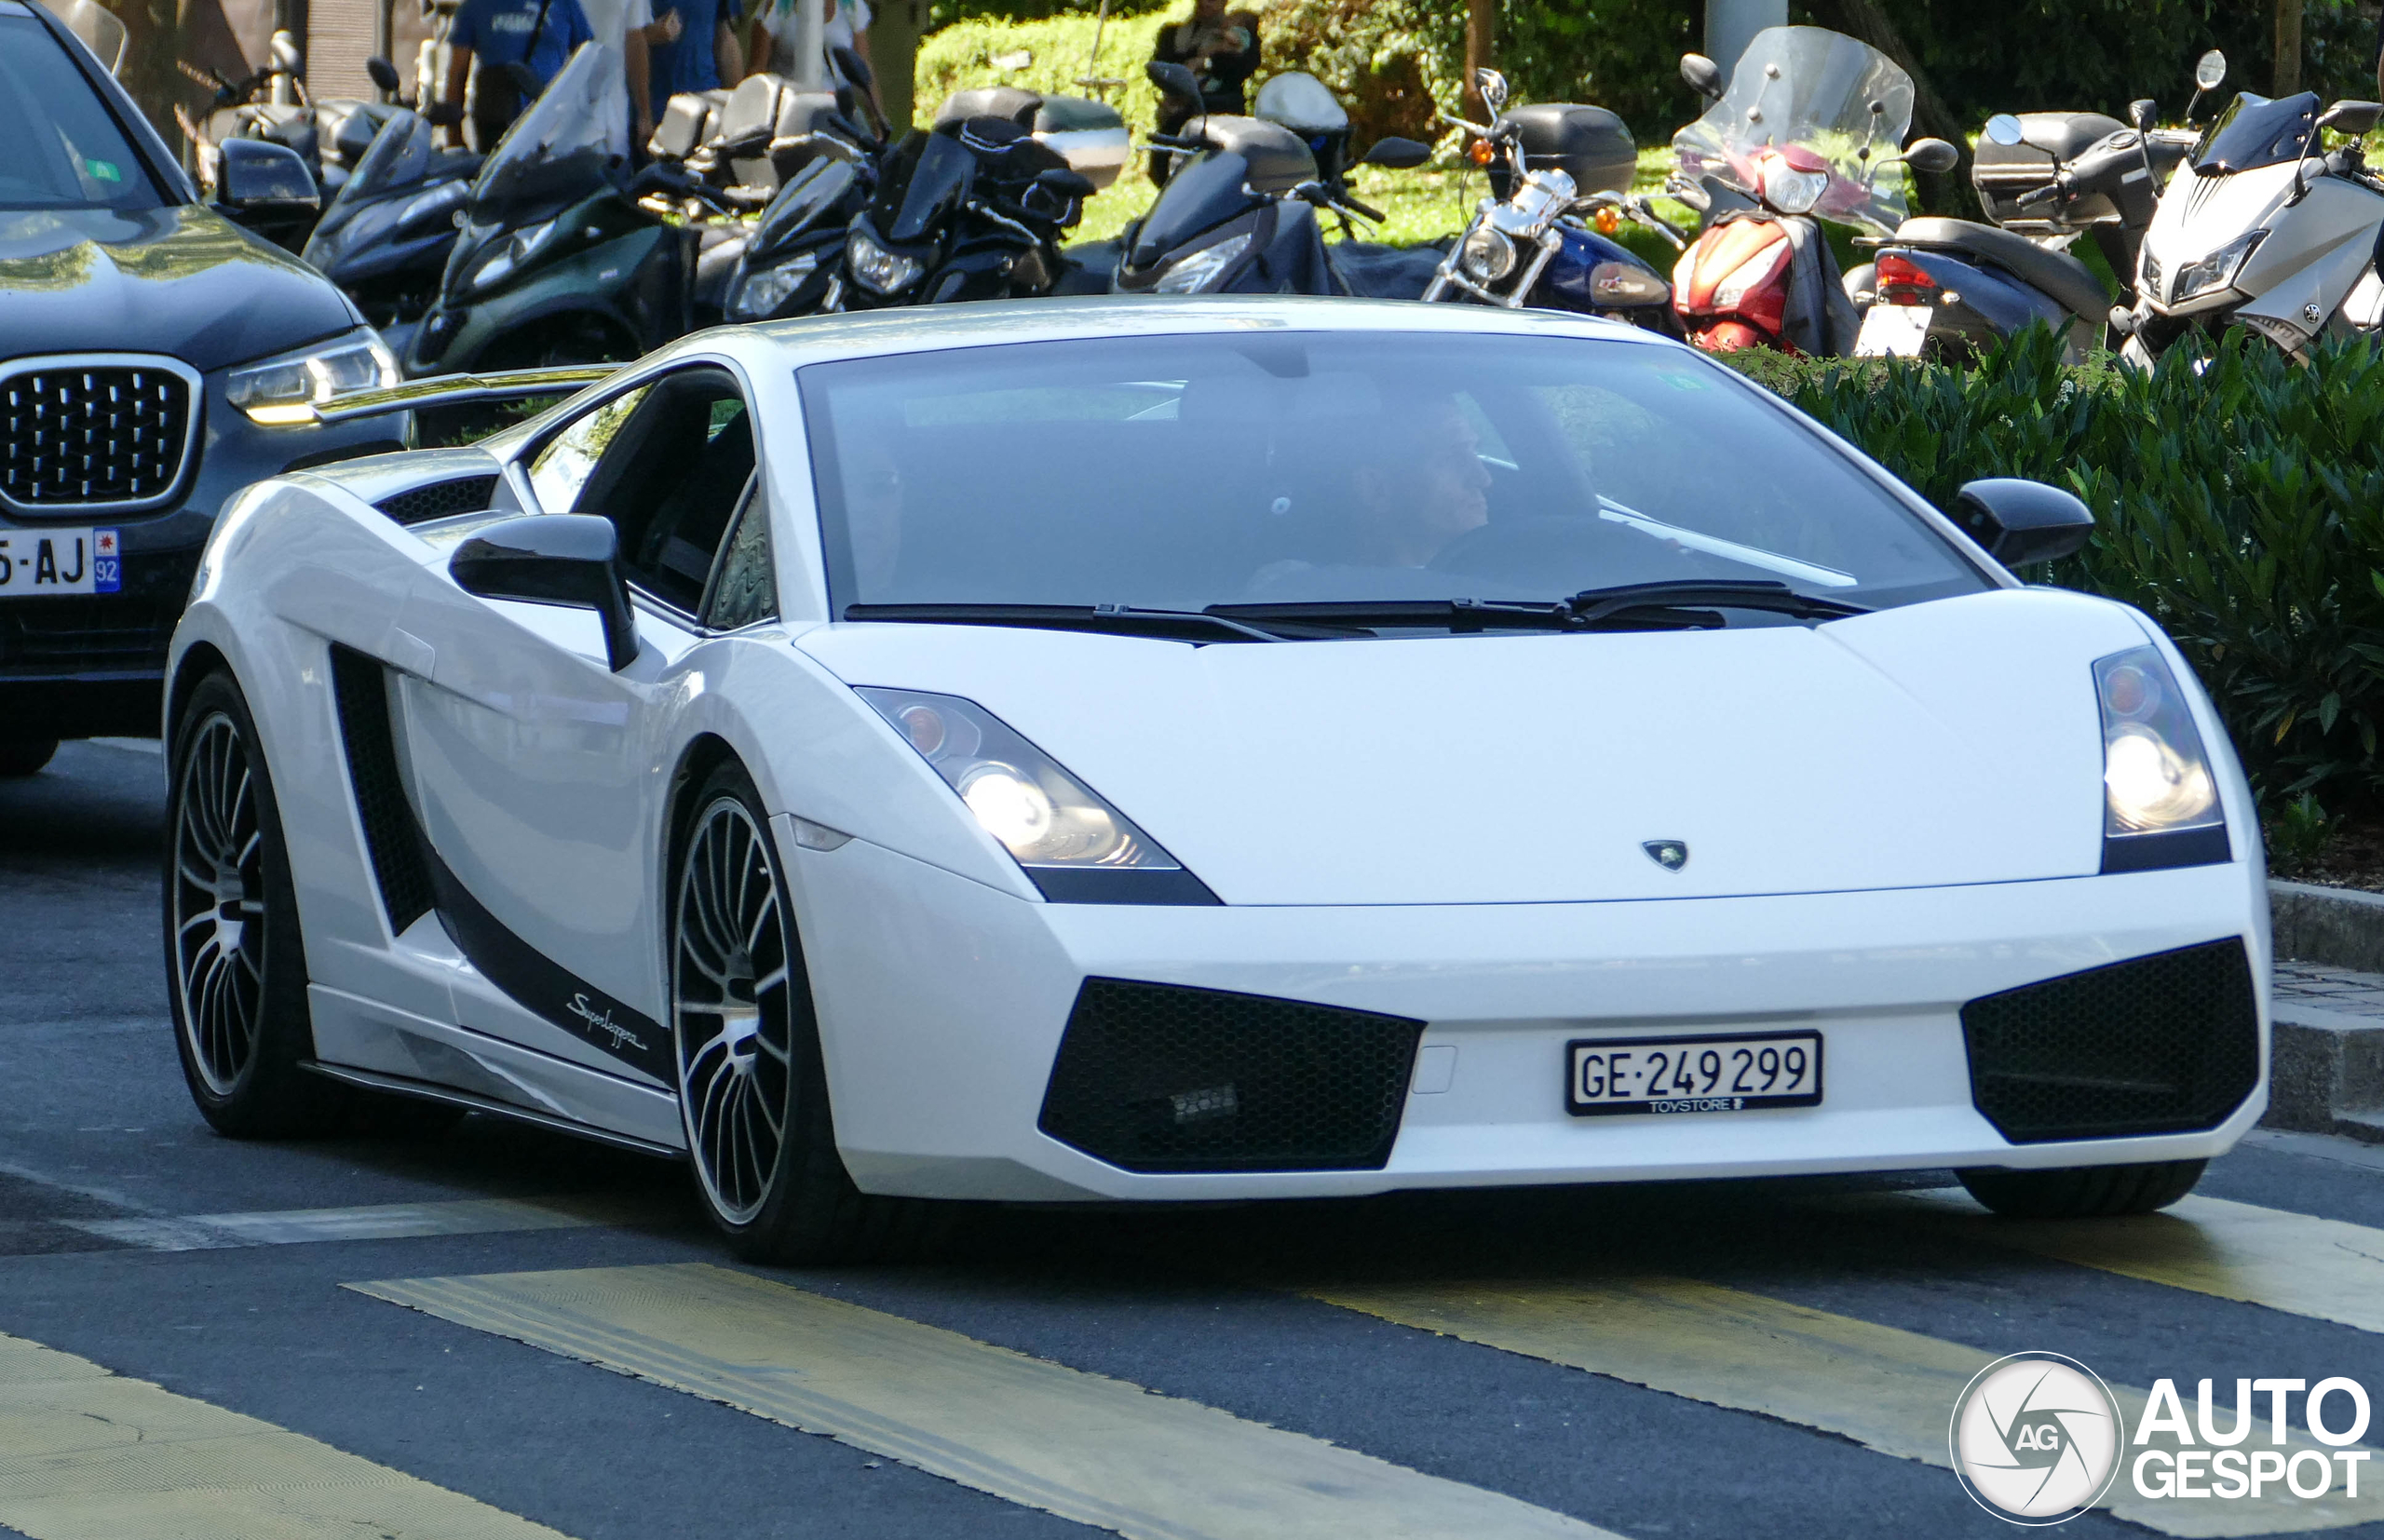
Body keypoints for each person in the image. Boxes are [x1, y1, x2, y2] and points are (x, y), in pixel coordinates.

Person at [437, 0, 597, 151]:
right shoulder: (474, 6)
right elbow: (457, 74)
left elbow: (588, 60)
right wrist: (454, 138)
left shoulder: (563, 4)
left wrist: (586, 124)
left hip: (550, 124)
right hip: (496, 126)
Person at [1148, 0, 1259, 183]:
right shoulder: (1171, 34)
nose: (1205, 3)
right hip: (1177, 115)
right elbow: (1164, 65)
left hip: (1218, 118)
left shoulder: (1241, 33)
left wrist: (1205, 62)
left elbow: (1241, 68)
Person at [580, 0, 684, 155]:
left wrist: (644, 116)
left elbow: (635, 38)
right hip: (574, 122)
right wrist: (645, 116)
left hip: (607, 119)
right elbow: (635, 39)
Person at [747, 0, 877, 110]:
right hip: (787, 109)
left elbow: (864, 69)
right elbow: (757, 70)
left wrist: (878, 124)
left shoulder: (851, 7)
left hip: (837, 111)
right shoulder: (777, 6)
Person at [646, 0, 745, 128]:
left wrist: (738, 108)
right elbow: (621, 37)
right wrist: (648, 36)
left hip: (706, 105)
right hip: (654, 111)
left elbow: (726, 39)